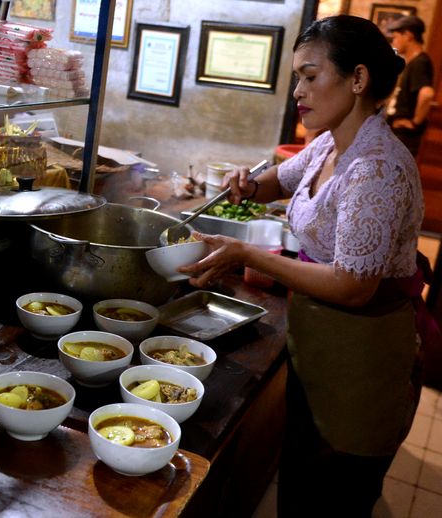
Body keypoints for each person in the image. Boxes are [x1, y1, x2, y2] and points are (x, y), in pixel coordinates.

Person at [179, 15, 435, 517]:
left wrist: (249, 254)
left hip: (361, 359)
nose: (298, 90)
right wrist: (251, 186)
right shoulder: (332, 141)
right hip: (319, 343)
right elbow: (281, 181)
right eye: (298, 77)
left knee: (332, 495)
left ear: (358, 79)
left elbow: (353, 285)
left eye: (310, 76)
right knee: (301, 484)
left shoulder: (376, 166)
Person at [386, 15, 435, 155]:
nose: (393, 42)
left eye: (395, 37)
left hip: (404, 135)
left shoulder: (420, 62)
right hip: (397, 132)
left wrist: (415, 123)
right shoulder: (412, 62)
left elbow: (427, 94)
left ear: (408, 35)